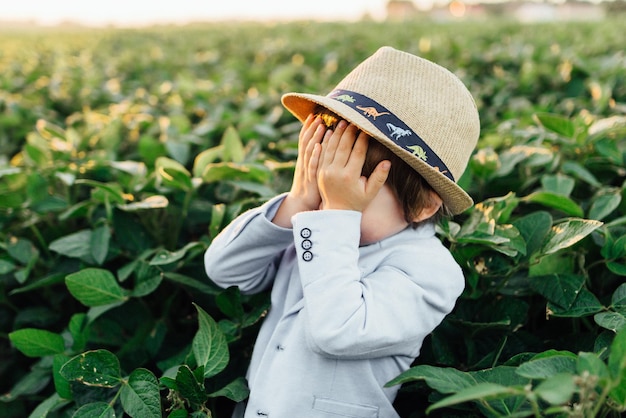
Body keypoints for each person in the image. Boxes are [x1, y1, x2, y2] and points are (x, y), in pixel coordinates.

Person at [204, 46, 480, 418]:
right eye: (323, 168)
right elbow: (225, 270)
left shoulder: (430, 271)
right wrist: (299, 199)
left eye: (353, 182)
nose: (328, 192)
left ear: (423, 206)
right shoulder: (310, 223)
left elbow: (338, 331)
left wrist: (338, 214)